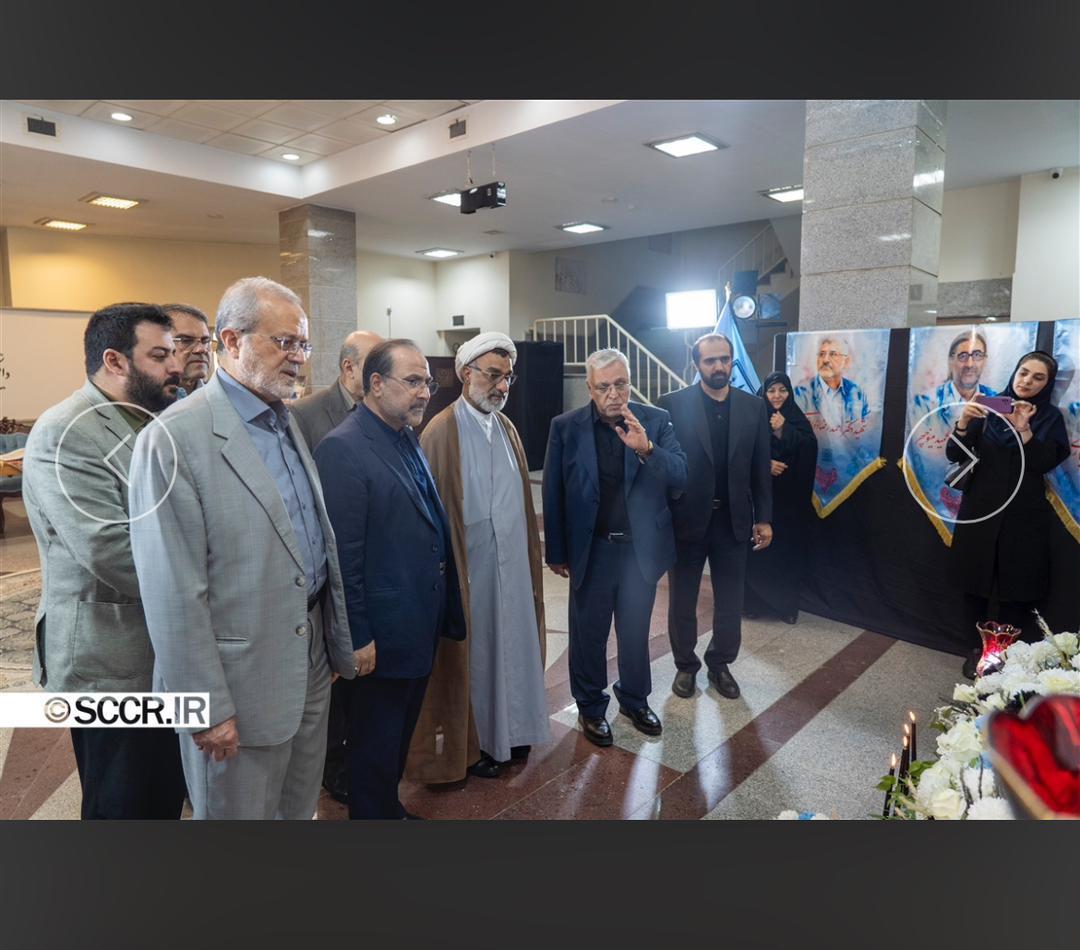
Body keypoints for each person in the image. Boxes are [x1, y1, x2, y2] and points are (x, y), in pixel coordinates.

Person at [129, 277, 356, 820]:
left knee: (297, 811)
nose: (298, 357)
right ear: (231, 341)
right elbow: (172, 594)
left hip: (306, 659)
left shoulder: (284, 421)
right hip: (236, 681)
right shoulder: (174, 439)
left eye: (304, 345)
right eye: (285, 342)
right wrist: (205, 706)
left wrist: (329, 642)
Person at [22, 302, 187, 819]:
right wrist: (207, 582)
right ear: (115, 361)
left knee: (161, 794)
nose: (176, 366)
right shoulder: (65, 431)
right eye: (159, 355)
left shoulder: (150, 420)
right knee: (121, 805)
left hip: (161, 651)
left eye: (175, 352)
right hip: (108, 659)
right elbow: (108, 550)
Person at [314, 339, 466, 819]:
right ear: (375, 384)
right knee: (374, 744)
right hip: (379, 636)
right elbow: (343, 560)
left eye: (428, 382)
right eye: (413, 381)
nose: (425, 392)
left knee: (396, 737)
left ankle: (387, 811)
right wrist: (357, 637)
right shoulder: (343, 449)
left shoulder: (403, 436)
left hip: (415, 622)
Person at [406, 332, 549, 784]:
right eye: (493, 375)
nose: (502, 386)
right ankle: (479, 743)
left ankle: (514, 730)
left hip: (512, 570)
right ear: (467, 374)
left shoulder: (507, 428)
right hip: (470, 576)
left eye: (508, 377)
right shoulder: (440, 430)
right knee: (479, 658)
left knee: (514, 649)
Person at [543, 348, 687, 746]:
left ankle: (635, 700)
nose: (613, 394)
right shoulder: (566, 427)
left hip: (640, 551)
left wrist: (647, 449)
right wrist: (557, 552)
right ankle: (591, 706)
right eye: (604, 386)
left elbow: (681, 474)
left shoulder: (655, 421)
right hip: (593, 549)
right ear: (589, 389)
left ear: (629, 383)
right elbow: (553, 491)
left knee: (635, 631)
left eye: (620, 384)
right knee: (588, 634)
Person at [290, 327, 384, 804]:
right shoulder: (305, 415)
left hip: (370, 565)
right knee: (332, 679)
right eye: (373, 365)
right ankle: (332, 763)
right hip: (326, 566)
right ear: (349, 368)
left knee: (363, 673)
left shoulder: (382, 411)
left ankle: (358, 753)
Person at [657, 334, 772, 700]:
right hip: (686, 519)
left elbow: (760, 467)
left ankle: (720, 664)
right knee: (683, 599)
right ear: (697, 365)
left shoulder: (753, 407)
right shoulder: (672, 404)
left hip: (733, 521)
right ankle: (685, 666)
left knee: (730, 601)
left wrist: (763, 517)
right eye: (710, 361)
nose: (719, 366)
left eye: (724, 359)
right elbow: (663, 467)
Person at [947, 351, 1070, 679]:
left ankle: (1001, 654)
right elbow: (954, 454)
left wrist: (1024, 429)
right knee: (974, 583)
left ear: (1047, 384)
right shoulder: (989, 407)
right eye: (1023, 372)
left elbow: (1043, 463)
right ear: (1015, 372)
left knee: (1016, 587)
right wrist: (964, 421)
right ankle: (976, 650)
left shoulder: (1049, 418)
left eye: (1038, 377)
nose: (1027, 381)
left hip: (1022, 516)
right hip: (980, 510)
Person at [742, 372, 817, 625]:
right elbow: (739, 452)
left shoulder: (796, 419)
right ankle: (752, 605)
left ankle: (784, 607)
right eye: (771, 390)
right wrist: (764, 464)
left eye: (782, 390)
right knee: (758, 552)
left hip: (789, 504)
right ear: (764, 393)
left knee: (786, 554)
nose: (777, 396)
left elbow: (810, 450)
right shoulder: (752, 417)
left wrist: (784, 430)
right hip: (759, 500)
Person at [292, 329, 384, 451]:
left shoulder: (387, 407)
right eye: (376, 364)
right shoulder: (304, 412)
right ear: (349, 368)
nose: (384, 372)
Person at [912, 330, 995, 429]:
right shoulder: (925, 403)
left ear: (985, 361)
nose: (969, 364)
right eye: (962, 356)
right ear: (951, 361)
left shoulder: (994, 399)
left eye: (977, 355)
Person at [794, 334, 871, 429]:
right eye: (822, 354)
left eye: (833, 354)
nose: (825, 360)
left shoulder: (857, 393)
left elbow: (866, 429)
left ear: (846, 361)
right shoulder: (801, 393)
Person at [162, 303, 214, 395]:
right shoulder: (138, 400)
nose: (201, 349)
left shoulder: (222, 399)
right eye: (186, 340)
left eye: (205, 341)